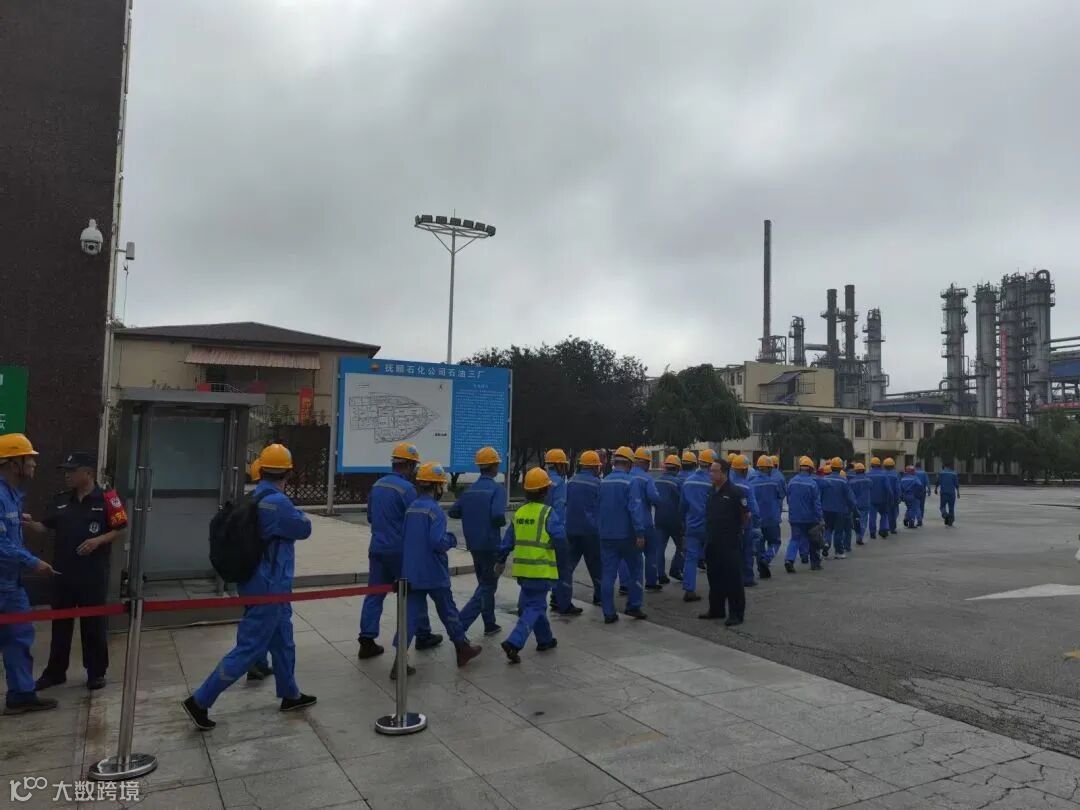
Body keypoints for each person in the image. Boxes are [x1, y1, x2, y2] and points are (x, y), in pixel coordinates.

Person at [184, 444, 315, 730]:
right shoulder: (278, 503)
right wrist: (301, 516)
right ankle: (200, 701)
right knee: (249, 648)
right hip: (270, 586)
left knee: (283, 639)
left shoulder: (253, 497)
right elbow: (304, 528)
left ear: (261, 470)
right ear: (288, 473)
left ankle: (290, 694)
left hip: (258, 582)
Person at [24, 452, 126, 692]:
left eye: (72, 471)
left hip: (92, 575)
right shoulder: (60, 499)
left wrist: (98, 540)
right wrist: (29, 523)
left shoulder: (108, 499)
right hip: (63, 574)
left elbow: (120, 528)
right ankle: (56, 672)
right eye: (66, 471)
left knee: (93, 625)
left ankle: (96, 673)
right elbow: (44, 526)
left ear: (88, 473)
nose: (67, 476)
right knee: (61, 625)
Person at [357, 443, 441, 660]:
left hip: (377, 548)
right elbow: (417, 518)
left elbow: (370, 517)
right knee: (414, 592)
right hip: (400, 551)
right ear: (410, 465)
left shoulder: (377, 486)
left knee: (375, 593)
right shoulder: (408, 490)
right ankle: (423, 634)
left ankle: (366, 639)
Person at [397, 462, 482, 675]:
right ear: (436, 486)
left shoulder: (411, 508)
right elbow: (437, 542)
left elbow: (404, 537)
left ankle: (399, 661)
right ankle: (462, 647)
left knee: (409, 616)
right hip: (433, 571)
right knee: (448, 611)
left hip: (412, 571)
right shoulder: (435, 511)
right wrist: (451, 539)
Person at [0, 434, 58, 714]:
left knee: (19, 638)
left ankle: (21, 695)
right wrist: (33, 562)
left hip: (12, 584)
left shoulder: (13, 495)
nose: (34, 464)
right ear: (14, 464)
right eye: (29, 459)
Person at [497, 468, 564, 663]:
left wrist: (500, 560)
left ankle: (545, 639)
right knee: (535, 606)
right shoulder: (548, 513)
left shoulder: (519, 513)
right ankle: (514, 642)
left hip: (523, 572)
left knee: (530, 604)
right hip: (541, 570)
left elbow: (507, 542)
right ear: (545, 491)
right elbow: (560, 538)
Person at [450, 447, 508, 634]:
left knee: (484, 584)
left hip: (473, 545)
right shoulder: (498, 489)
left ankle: (489, 623)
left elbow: (453, 511)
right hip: (491, 544)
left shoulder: (469, 491)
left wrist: (472, 516)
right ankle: (460, 624)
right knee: (487, 586)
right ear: (494, 466)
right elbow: (498, 515)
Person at [698, 457, 751, 626]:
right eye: (710, 471)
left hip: (729, 543)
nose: (711, 474)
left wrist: (736, 531)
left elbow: (746, 515)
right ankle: (716, 609)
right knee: (714, 577)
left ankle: (736, 614)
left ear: (724, 473)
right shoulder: (711, 491)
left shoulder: (735, 492)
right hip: (713, 541)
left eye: (714, 471)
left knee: (732, 579)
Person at [597, 446, 647, 623]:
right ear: (629, 464)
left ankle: (608, 613)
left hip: (606, 535)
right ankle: (633, 606)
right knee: (636, 570)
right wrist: (640, 533)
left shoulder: (603, 482)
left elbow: (597, 508)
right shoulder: (631, 482)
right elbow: (635, 509)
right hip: (628, 536)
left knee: (608, 574)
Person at [562, 451, 604, 609]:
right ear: (594, 467)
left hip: (571, 529)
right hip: (591, 531)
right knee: (596, 565)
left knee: (567, 565)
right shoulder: (598, 484)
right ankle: (599, 596)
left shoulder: (571, 481)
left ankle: (560, 598)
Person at [679, 449, 715, 602]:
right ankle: (717, 590)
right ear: (712, 465)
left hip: (692, 525)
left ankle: (689, 590)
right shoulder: (713, 482)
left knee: (691, 558)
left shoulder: (688, 481)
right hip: (710, 526)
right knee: (713, 558)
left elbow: (682, 506)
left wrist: (684, 522)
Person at [783, 456, 824, 573]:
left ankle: (789, 559)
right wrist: (820, 517)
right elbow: (816, 503)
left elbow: (789, 499)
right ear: (810, 469)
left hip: (795, 517)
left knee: (795, 539)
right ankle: (815, 564)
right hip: (810, 518)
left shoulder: (791, 482)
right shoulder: (812, 484)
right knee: (813, 540)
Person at [631, 448, 663, 591]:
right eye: (648, 463)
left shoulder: (626, 475)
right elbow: (655, 498)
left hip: (629, 523)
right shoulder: (647, 478)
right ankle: (651, 582)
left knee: (629, 555)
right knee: (651, 552)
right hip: (645, 522)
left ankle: (625, 585)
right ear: (644, 463)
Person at [728, 455, 761, 586]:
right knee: (746, 550)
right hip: (745, 523)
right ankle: (747, 578)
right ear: (745, 470)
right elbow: (754, 507)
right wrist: (757, 524)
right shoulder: (747, 486)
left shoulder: (726, 484)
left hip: (728, 524)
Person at [544, 448, 570, 606]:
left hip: (540, 529)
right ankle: (561, 601)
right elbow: (559, 509)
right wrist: (559, 536)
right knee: (562, 568)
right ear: (558, 465)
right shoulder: (560, 484)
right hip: (555, 530)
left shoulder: (541, 479)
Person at [750, 455, 784, 575]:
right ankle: (767, 558)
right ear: (769, 468)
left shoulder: (751, 483)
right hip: (772, 518)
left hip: (757, 519)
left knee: (760, 545)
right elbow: (781, 496)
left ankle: (761, 568)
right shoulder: (775, 482)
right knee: (775, 542)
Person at [654, 455, 683, 586]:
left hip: (659, 518)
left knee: (660, 548)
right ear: (677, 468)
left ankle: (660, 575)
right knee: (682, 546)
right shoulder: (678, 483)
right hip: (676, 520)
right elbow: (683, 502)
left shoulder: (656, 480)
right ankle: (675, 569)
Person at [822, 458, 857, 559]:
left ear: (831, 467)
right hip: (840, 510)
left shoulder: (824, 479)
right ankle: (839, 552)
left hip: (826, 509)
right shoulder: (843, 481)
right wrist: (853, 508)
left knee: (828, 528)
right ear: (841, 468)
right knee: (838, 531)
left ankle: (826, 542)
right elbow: (849, 497)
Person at [849, 462, 872, 546]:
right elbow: (871, 487)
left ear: (855, 471)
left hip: (855, 504)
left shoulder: (851, 481)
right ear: (864, 470)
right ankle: (860, 536)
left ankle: (858, 534)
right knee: (864, 521)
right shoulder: (868, 480)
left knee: (856, 520)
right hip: (865, 503)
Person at [867, 457, 891, 539]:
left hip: (871, 500)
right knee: (884, 514)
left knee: (872, 516)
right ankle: (883, 529)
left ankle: (872, 532)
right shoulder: (884, 475)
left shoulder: (867, 475)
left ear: (871, 465)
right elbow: (888, 488)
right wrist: (890, 498)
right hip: (883, 499)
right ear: (879, 465)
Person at [935, 461, 960, 526]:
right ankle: (950, 521)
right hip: (952, 493)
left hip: (944, 493)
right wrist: (958, 493)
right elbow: (956, 484)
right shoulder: (954, 473)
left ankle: (946, 515)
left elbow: (938, 482)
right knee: (951, 508)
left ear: (945, 466)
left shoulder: (941, 473)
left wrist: (936, 489)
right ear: (950, 466)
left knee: (942, 507)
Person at [884, 458, 902, 534]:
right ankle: (892, 528)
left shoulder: (882, 474)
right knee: (894, 513)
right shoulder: (896, 474)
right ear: (893, 465)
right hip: (894, 497)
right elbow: (898, 487)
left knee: (885, 513)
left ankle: (885, 526)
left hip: (884, 497)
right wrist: (899, 496)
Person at [914, 462, 930, 527]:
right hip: (923, 491)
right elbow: (927, 481)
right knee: (922, 506)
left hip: (915, 492)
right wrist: (929, 490)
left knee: (916, 506)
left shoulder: (914, 472)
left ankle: (919, 519)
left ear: (915, 466)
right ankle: (921, 519)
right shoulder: (924, 473)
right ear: (921, 466)